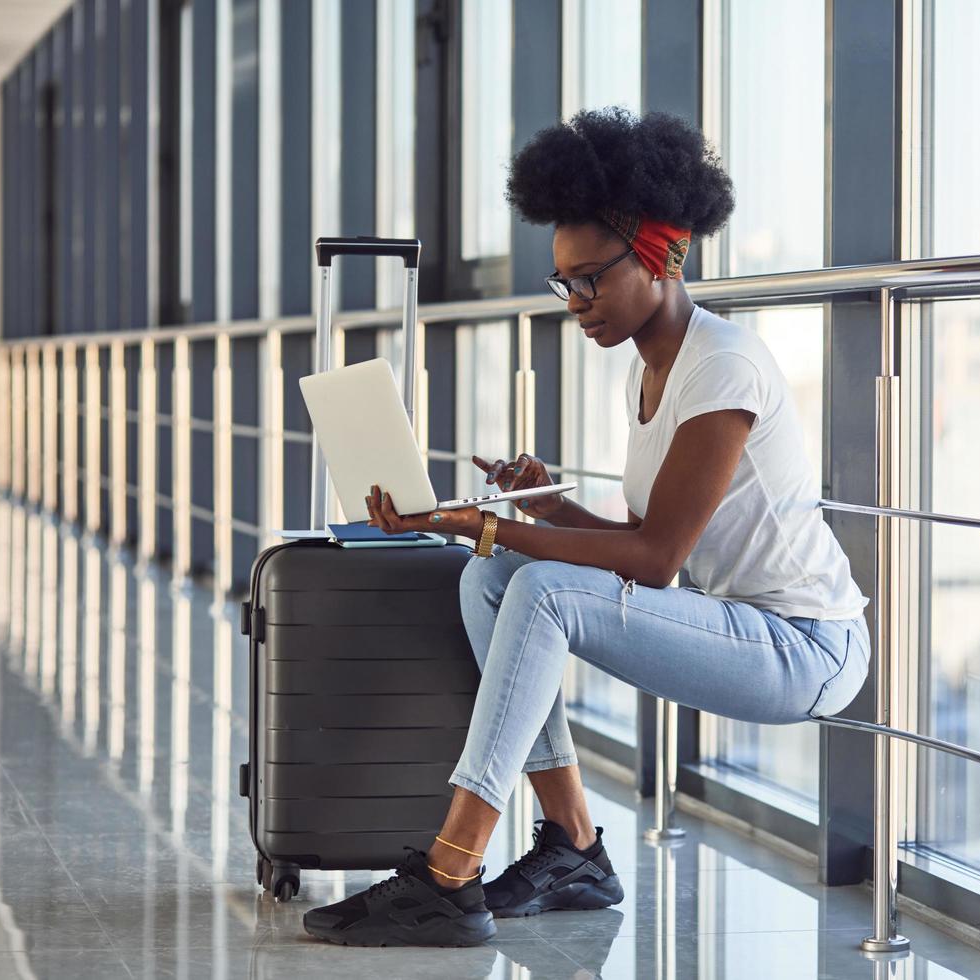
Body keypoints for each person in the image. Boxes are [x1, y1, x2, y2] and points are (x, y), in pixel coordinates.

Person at [303, 107, 871, 948]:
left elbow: (653, 558)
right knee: (491, 579)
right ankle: (572, 843)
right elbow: (645, 548)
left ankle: (451, 869)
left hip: (806, 650)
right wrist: (539, 508)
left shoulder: (723, 366)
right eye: (563, 283)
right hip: (739, 625)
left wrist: (484, 526)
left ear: (661, 255)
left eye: (591, 279)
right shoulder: (651, 373)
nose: (576, 302)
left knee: (523, 579)